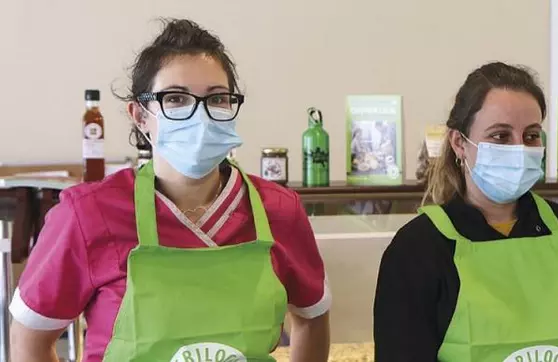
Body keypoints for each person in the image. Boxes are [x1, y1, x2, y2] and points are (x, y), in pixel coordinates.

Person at [10, 19, 331, 362]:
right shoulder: (89, 213)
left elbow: (312, 319)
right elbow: (29, 339)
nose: (200, 115)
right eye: (175, 98)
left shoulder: (278, 210)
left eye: (217, 98)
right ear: (140, 115)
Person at [373, 62, 558, 361]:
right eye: (500, 136)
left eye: (530, 136)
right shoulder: (417, 251)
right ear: (459, 143)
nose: (519, 148)